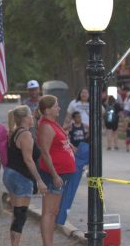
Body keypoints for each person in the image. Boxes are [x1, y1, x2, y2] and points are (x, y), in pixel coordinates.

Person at [3, 105, 47, 246]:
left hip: (10, 173)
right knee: (20, 214)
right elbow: (28, 159)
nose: (33, 117)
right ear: (25, 118)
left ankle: (14, 244)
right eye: (31, 115)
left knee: (17, 214)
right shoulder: (26, 134)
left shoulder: (15, 131)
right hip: (21, 176)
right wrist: (39, 180)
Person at [36, 95, 75, 246]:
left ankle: (49, 242)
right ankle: (48, 243)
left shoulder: (53, 123)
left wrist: (69, 146)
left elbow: (57, 142)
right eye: (56, 106)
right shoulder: (46, 126)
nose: (59, 108)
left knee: (53, 211)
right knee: (49, 212)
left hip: (62, 173)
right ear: (47, 110)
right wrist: (54, 174)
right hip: (54, 174)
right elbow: (44, 152)